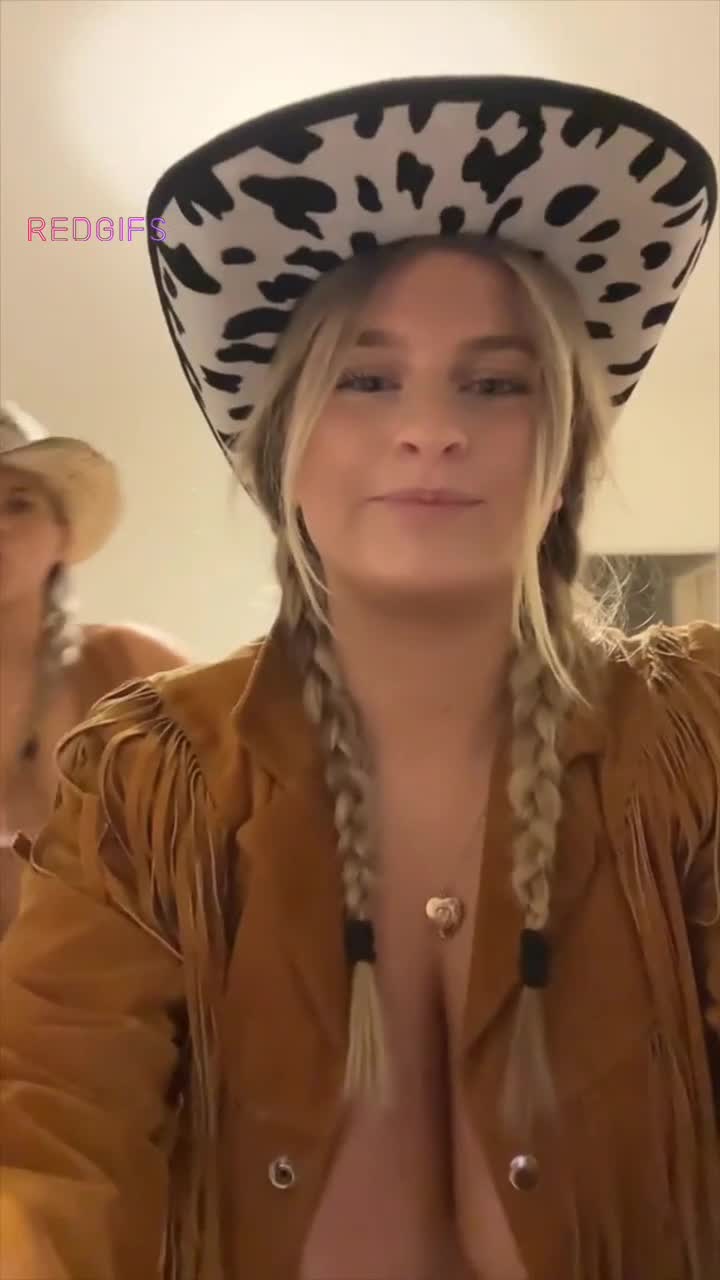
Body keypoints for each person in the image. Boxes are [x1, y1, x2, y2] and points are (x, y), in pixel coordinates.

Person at [1, 75, 718, 1280]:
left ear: (566, 452)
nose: (430, 427)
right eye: (367, 378)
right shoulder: (150, 781)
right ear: (282, 446)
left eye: (495, 382)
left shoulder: (695, 739)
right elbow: (51, 1127)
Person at [0, 402, 188, 935]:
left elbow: (254, 820)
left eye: (18, 504)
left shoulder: (132, 668)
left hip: (121, 980)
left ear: (62, 533)